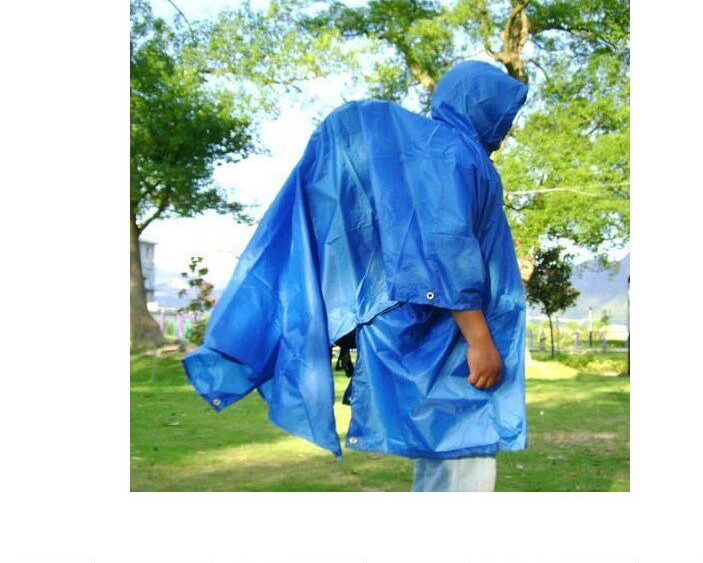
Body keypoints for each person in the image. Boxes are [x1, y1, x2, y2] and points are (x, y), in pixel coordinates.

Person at [182, 60, 529, 492]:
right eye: (504, 112)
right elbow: (447, 247)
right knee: (463, 458)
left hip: (445, 341)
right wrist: (479, 340)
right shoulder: (454, 156)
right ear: (482, 104)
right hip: (451, 344)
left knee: (449, 458)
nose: (506, 125)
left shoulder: (440, 154)